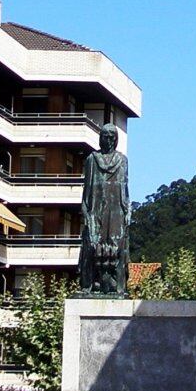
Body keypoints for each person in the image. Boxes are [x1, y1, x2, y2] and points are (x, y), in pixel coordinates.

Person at [78, 123, 130, 296]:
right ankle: (92, 283)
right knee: (92, 245)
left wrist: (127, 211)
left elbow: (125, 189)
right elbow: (86, 191)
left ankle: (114, 283)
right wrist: (86, 212)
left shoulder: (122, 160)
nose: (107, 139)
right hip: (96, 210)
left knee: (116, 247)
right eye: (104, 135)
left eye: (111, 136)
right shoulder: (91, 159)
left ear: (115, 139)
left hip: (115, 211)